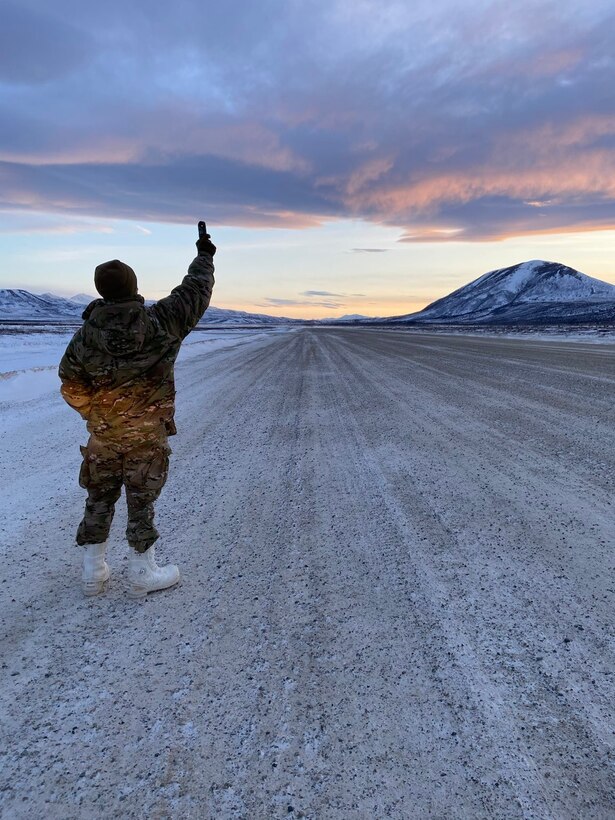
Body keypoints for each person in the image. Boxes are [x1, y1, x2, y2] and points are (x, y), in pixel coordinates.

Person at [58, 229, 216, 598]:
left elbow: (69, 382)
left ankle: (93, 573)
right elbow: (195, 291)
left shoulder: (85, 336)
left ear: (101, 290)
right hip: (147, 434)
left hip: (104, 433)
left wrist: (94, 414)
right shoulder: (161, 322)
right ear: (133, 287)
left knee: (99, 496)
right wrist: (205, 254)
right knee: (141, 500)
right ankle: (143, 573)